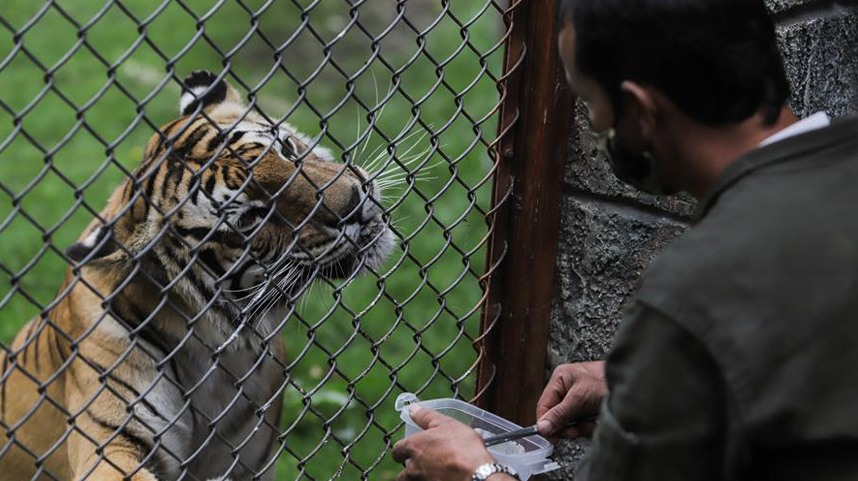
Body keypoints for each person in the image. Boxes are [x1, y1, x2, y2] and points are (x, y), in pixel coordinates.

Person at [391, 0, 858, 480]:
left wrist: (475, 473)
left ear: (639, 111)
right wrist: (659, 384)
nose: (597, 126)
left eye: (592, 103)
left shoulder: (697, 289)